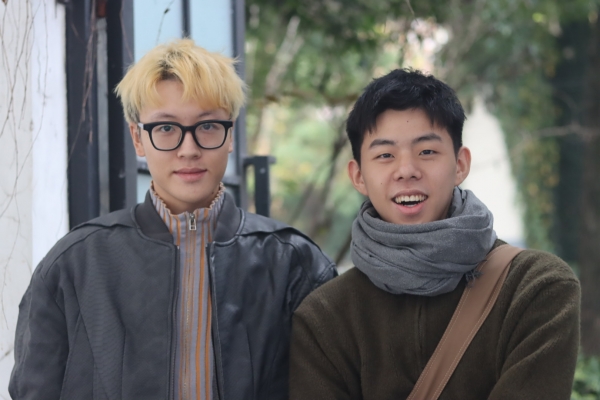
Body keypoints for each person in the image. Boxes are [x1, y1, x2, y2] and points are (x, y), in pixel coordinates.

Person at [9, 39, 336, 400]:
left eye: (208, 126)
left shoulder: (292, 263)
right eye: (166, 128)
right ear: (138, 138)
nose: (189, 149)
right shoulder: (74, 264)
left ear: (230, 134)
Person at [289, 69, 580, 399]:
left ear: (460, 164)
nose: (406, 170)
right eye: (385, 155)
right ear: (358, 176)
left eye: (426, 151)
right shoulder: (325, 317)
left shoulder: (535, 287)